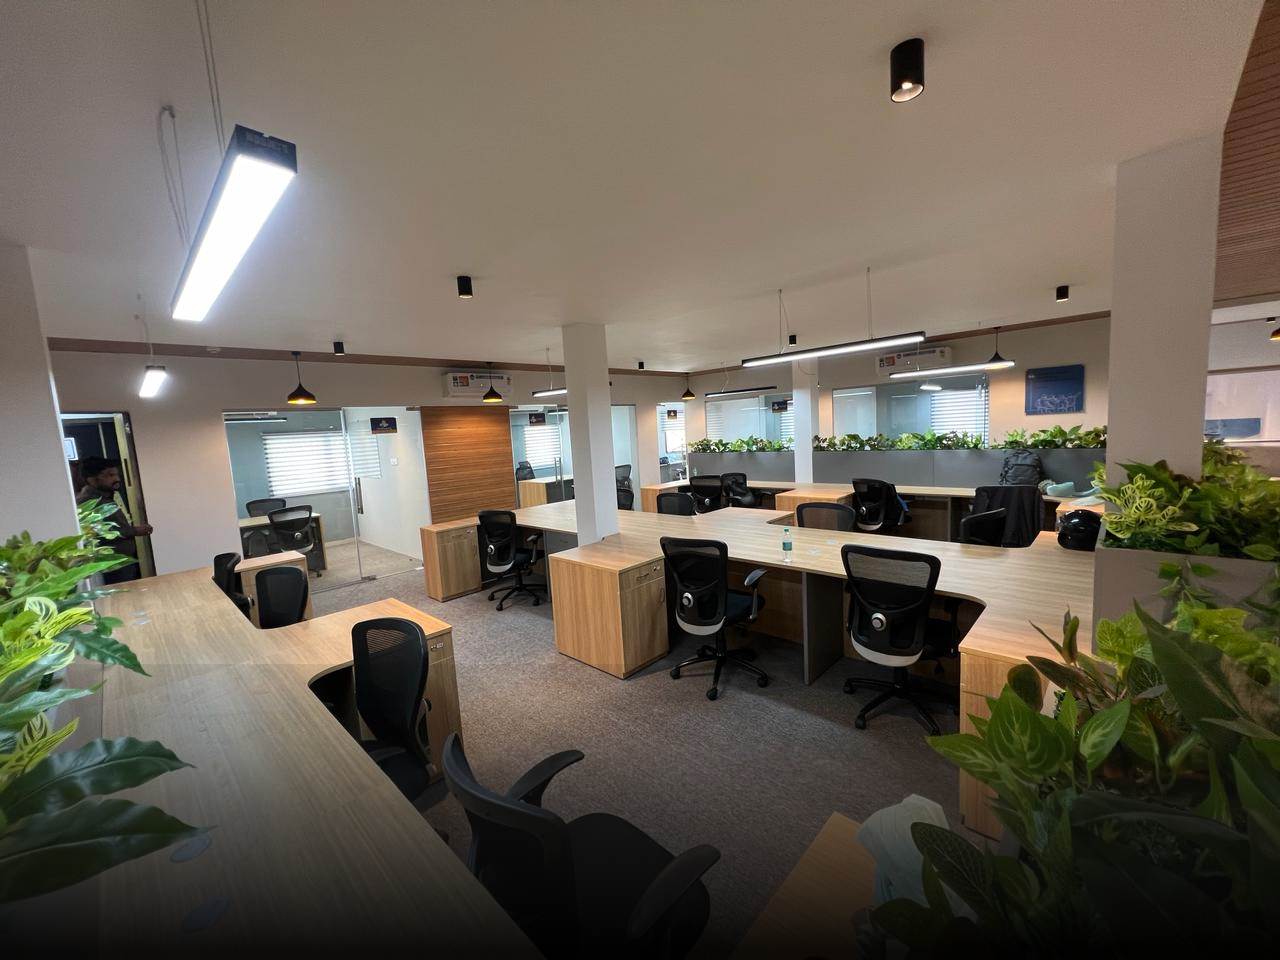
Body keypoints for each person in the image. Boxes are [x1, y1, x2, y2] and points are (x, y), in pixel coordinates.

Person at [76, 456, 154, 583]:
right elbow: (99, 533)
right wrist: (135, 530)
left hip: (121, 562)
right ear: (92, 479)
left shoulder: (106, 498)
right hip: (111, 565)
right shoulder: (89, 502)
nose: (117, 479)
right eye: (110, 475)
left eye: (117, 474)